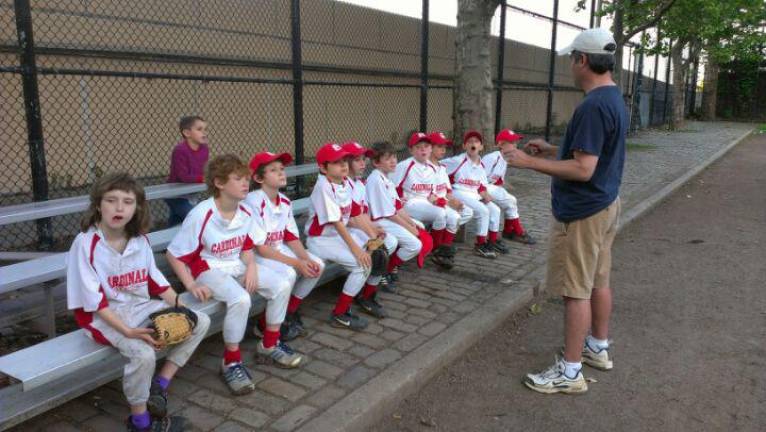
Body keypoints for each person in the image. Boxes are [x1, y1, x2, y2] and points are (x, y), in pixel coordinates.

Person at [503, 28, 627, 394]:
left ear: (583, 60)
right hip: (605, 204)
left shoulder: (591, 105)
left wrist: (528, 162)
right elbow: (588, 155)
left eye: (572, 59)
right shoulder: (612, 97)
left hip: (583, 212)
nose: (570, 66)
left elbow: (583, 169)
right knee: (598, 281)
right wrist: (554, 149)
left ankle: (570, 373)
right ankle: (597, 348)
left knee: (575, 290)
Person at [66, 172, 210, 432]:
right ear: (98, 204)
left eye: (128, 201)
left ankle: (159, 386)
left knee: (201, 320)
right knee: (143, 355)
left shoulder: (139, 239)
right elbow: (95, 303)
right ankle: (140, 423)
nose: (119, 207)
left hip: (138, 307)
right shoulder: (85, 243)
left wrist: (182, 306)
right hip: (100, 317)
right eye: (111, 200)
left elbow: (156, 284)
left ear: (137, 207)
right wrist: (130, 332)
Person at [166, 154, 302, 396]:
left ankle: (269, 344)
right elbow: (174, 255)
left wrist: (251, 267)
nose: (245, 184)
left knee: (281, 284)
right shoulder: (202, 213)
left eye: (246, 179)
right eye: (238, 179)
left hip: (237, 266)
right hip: (208, 270)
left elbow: (246, 248)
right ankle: (231, 361)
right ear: (219, 183)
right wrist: (189, 284)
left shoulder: (245, 212)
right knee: (241, 299)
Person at [244, 151, 325, 341]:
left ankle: (287, 312)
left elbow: (290, 237)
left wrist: (305, 259)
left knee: (317, 265)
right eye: (273, 170)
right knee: (288, 273)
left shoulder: (285, 201)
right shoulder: (253, 201)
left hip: (278, 249)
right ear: (258, 178)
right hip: (257, 255)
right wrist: (297, 264)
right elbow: (261, 248)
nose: (281, 173)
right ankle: (264, 326)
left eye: (282, 169)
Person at [304, 143, 385, 331]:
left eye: (343, 161)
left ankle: (363, 296)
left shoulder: (344, 182)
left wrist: (373, 237)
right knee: (361, 264)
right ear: (323, 168)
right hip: (321, 240)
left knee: (377, 252)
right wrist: (357, 250)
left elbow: (356, 214)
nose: (343, 165)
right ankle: (339, 313)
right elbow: (339, 223)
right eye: (336, 162)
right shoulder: (323, 186)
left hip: (336, 237)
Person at [442, 131, 508, 258]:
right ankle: (480, 244)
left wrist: (485, 194)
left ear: (481, 147)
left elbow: (481, 185)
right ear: (464, 146)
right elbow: (437, 166)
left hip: (473, 194)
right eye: (470, 142)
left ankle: (492, 241)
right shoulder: (458, 160)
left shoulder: (481, 164)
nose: (473, 144)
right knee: (483, 211)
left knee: (495, 210)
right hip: (459, 191)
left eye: (476, 142)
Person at [481, 128, 536, 244]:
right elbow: (478, 179)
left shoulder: (505, 159)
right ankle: (516, 231)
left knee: (510, 202)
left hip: (491, 188)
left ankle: (509, 231)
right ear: (501, 144)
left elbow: (499, 182)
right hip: (480, 188)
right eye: (511, 142)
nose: (515, 145)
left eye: (515, 142)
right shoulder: (492, 157)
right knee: (511, 200)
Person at [427, 131, 473, 268]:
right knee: (453, 217)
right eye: (439, 146)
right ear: (430, 148)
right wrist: (448, 203)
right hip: (431, 203)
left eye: (444, 147)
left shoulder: (441, 167)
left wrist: (454, 201)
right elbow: (428, 195)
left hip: (443, 201)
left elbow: (447, 191)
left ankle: (443, 244)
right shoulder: (425, 167)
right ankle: (438, 249)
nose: (443, 150)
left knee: (467, 211)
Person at [165, 115, 210, 226]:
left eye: (205, 129)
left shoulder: (204, 149)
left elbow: (204, 169)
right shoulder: (180, 150)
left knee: (176, 222)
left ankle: (170, 241)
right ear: (187, 133)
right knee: (194, 218)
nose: (204, 133)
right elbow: (183, 176)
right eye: (199, 129)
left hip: (191, 192)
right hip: (176, 195)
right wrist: (203, 178)